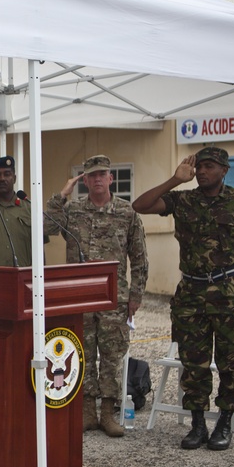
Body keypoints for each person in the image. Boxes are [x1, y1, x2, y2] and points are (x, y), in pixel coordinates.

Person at [133, 147, 234, 451]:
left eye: (209, 166)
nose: (202, 172)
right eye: (199, 167)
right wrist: (174, 180)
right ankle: (197, 424)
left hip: (229, 291)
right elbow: (140, 205)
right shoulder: (183, 200)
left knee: (230, 360)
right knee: (193, 362)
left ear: (224, 170)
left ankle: (224, 422)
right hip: (191, 293)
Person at [45, 155, 148, 437]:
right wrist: (61, 196)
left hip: (114, 296)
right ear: (85, 181)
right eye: (92, 175)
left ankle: (107, 413)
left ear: (111, 178)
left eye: (103, 174)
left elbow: (139, 257)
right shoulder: (73, 210)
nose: (98, 179)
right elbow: (45, 228)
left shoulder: (127, 212)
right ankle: (87, 412)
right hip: (79, 294)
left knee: (113, 354)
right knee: (82, 352)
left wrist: (135, 295)